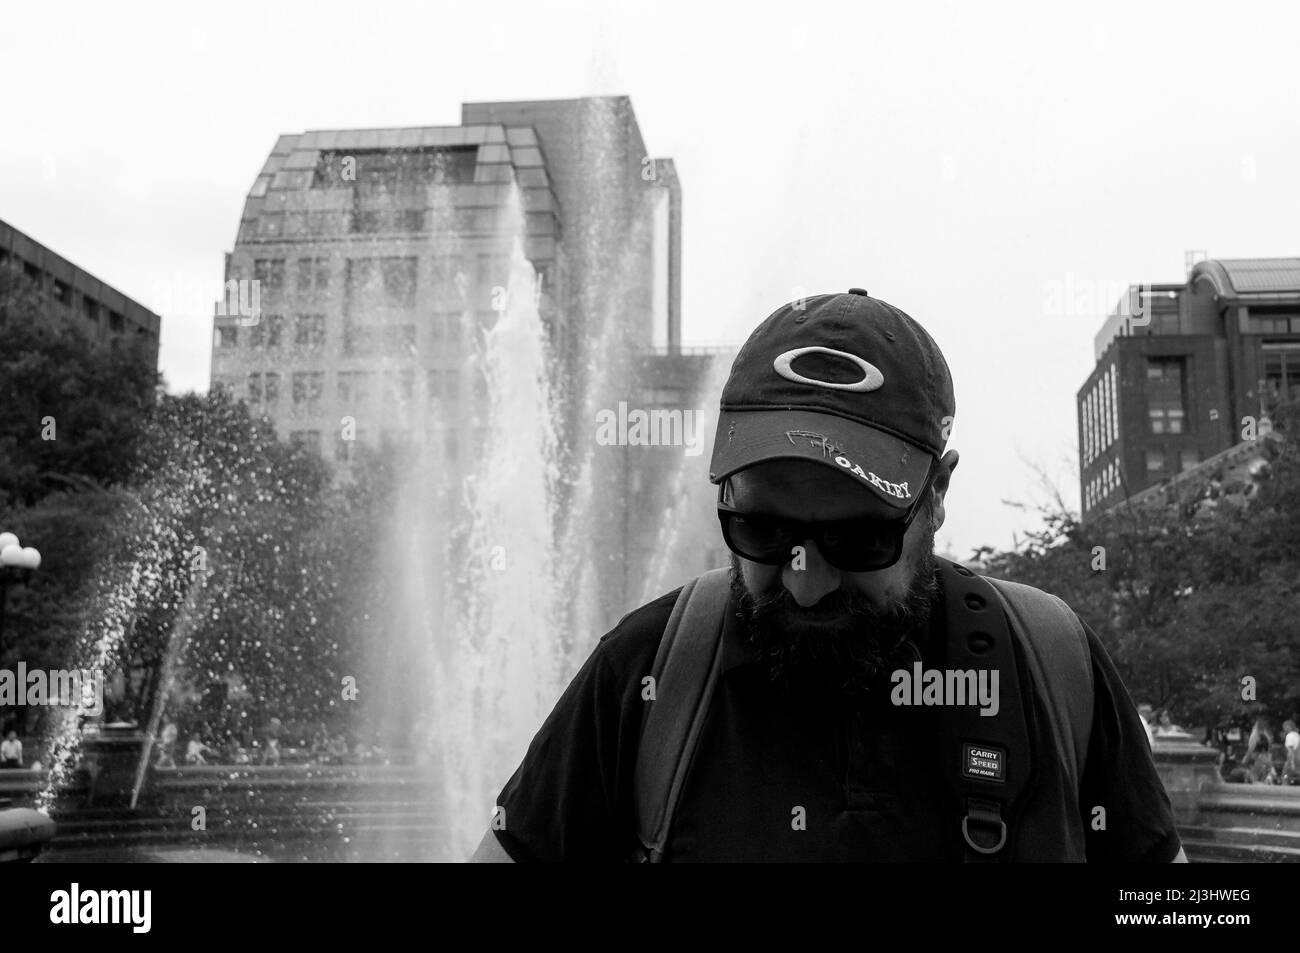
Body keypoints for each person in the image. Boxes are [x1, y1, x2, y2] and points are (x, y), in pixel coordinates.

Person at [470, 289, 1186, 863]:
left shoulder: (1053, 664)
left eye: (858, 538)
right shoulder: (649, 673)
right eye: (765, 531)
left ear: (937, 495)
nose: (806, 580)